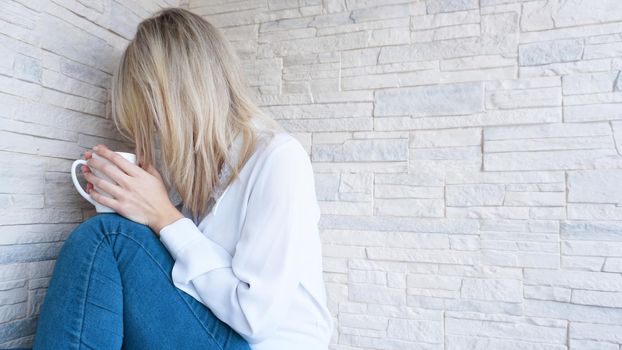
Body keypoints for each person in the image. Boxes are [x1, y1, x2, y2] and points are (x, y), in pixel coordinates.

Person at [32, 7, 333, 350]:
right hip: (215, 330)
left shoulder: (278, 159)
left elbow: (256, 319)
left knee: (108, 237)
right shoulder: (199, 182)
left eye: (151, 120)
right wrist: (136, 206)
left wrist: (165, 217)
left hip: (259, 343)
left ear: (179, 100)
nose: (152, 137)